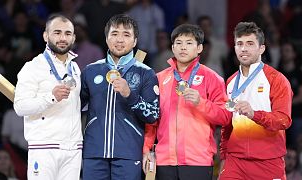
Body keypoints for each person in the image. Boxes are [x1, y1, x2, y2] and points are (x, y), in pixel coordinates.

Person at [143, 24, 232, 180]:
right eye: (179, 42)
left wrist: (201, 103)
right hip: (164, 161)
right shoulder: (159, 78)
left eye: (189, 43)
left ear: (199, 48)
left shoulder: (212, 78)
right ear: (172, 47)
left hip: (198, 161)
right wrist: (147, 150)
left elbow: (225, 116)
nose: (183, 47)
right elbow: (151, 120)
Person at [81, 14, 160, 180]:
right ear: (107, 38)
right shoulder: (91, 70)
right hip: (94, 152)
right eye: (115, 34)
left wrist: (130, 95)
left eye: (126, 35)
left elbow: (153, 115)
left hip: (128, 153)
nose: (119, 39)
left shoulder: (145, 73)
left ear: (135, 41)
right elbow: (75, 107)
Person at [219, 22, 293, 180]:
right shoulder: (231, 82)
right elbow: (227, 126)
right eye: (239, 44)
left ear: (262, 48)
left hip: (268, 161)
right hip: (235, 161)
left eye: (250, 44)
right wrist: (224, 158)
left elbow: (284, 120)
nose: (244, 48)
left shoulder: (277, 80)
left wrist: (254, 114)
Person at [13, 14, 82, 180]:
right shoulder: (32, 67)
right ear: (46, 36)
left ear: (73, 37)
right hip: (44, 147)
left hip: (73, 148)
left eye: (67, 33)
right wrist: (50, 97)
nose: (62, 38)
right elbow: (20, 107)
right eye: (57, 33)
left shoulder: (75, 68)